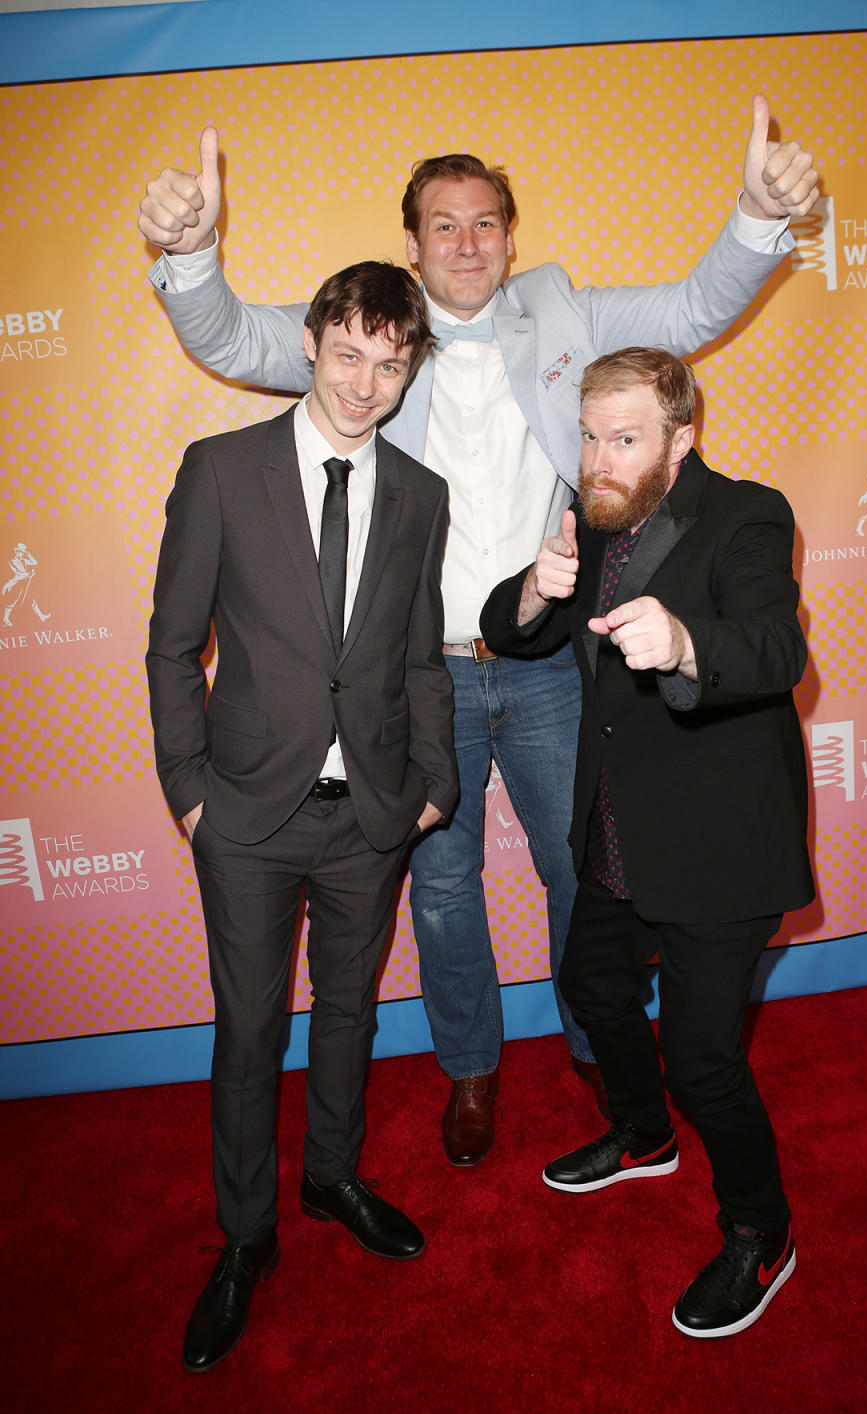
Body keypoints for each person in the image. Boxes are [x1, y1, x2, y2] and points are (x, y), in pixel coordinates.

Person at [137, 97, 819, 1167]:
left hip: (550, 662)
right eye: (444, 224)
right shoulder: (375, 341)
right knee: (445, 888)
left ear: (510, 234)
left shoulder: (558, 314)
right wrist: (185, 255)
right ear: (411, 242)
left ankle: (607, 1056)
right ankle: (471, 1069)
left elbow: (690, 309)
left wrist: (756, 216)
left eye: (487, 222)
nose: (468, 241)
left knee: (581, 870)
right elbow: (229, 333)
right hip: (418, 678)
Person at [146, 261, 458, 1372]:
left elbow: (421, 653)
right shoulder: (224, 471)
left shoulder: (421, 493)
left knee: (348, 1013)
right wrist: (190, 797)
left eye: (391, 362)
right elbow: (174, 646)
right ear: (314, 341)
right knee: (249, 1030)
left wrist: (434, 784)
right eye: (348, 355)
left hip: (372, 813)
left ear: (408, 365)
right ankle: (244, 1238)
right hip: (244, 815)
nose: (366, 385)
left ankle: (332, 1177)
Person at [479, 347, 814, 1338]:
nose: (599, 457)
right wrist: (536, 590)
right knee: (589, 987)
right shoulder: (591, 516)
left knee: (704, 1058)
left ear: (681, 439)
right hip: (621, 837)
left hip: (718, 844)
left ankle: (762, 1231)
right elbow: (517, 628)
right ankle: (640, 1134)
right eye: (588, 435)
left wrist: (687, 643)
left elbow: (777, 645)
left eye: (623, 438)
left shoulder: (748, 513)